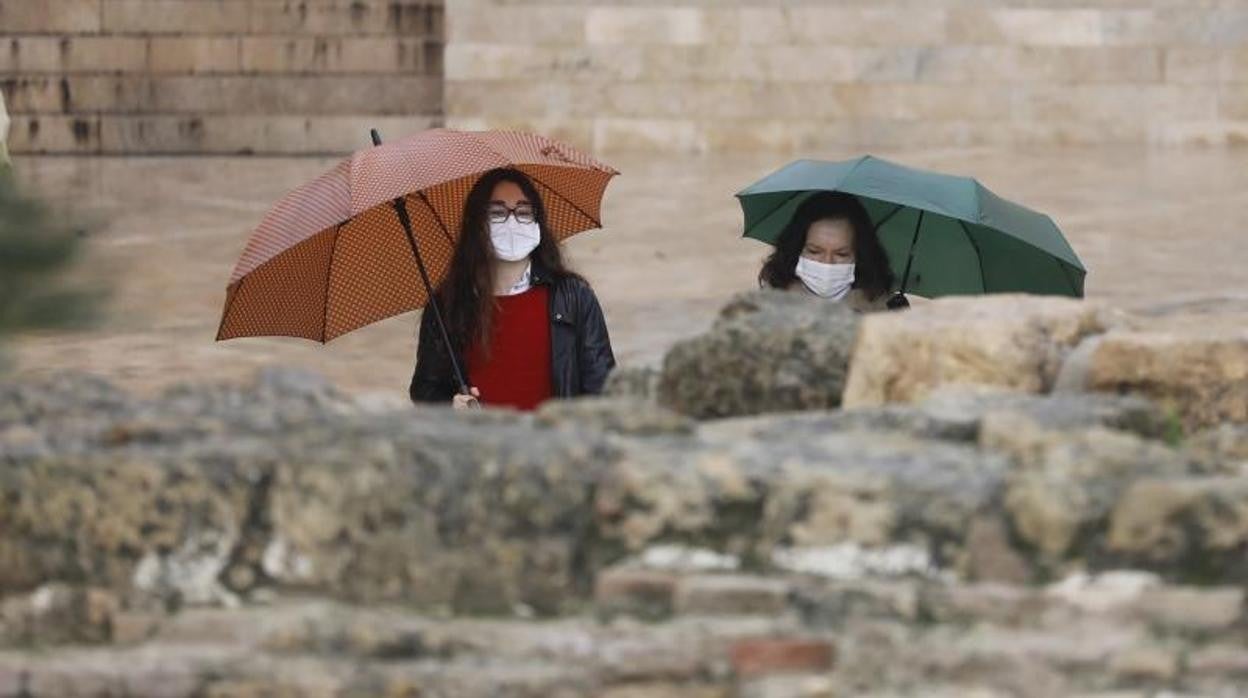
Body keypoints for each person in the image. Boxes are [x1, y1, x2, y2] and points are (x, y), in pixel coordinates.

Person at [409, 168, 615, 410]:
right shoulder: (448, 304)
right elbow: (425, 389)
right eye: (497, 212)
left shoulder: (573, 297)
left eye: (524, 211)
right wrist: (449, 405)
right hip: (483, 444)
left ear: (538, 221)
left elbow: (603, 388)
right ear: (476, 223)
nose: (512, 220)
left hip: (557, 444)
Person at [758, 191, 908, 311]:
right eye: (814, 251)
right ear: (796, 249)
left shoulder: (887, 314)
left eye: (841, 254)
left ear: (860, 255)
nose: (827, 263)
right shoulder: (765, 309)